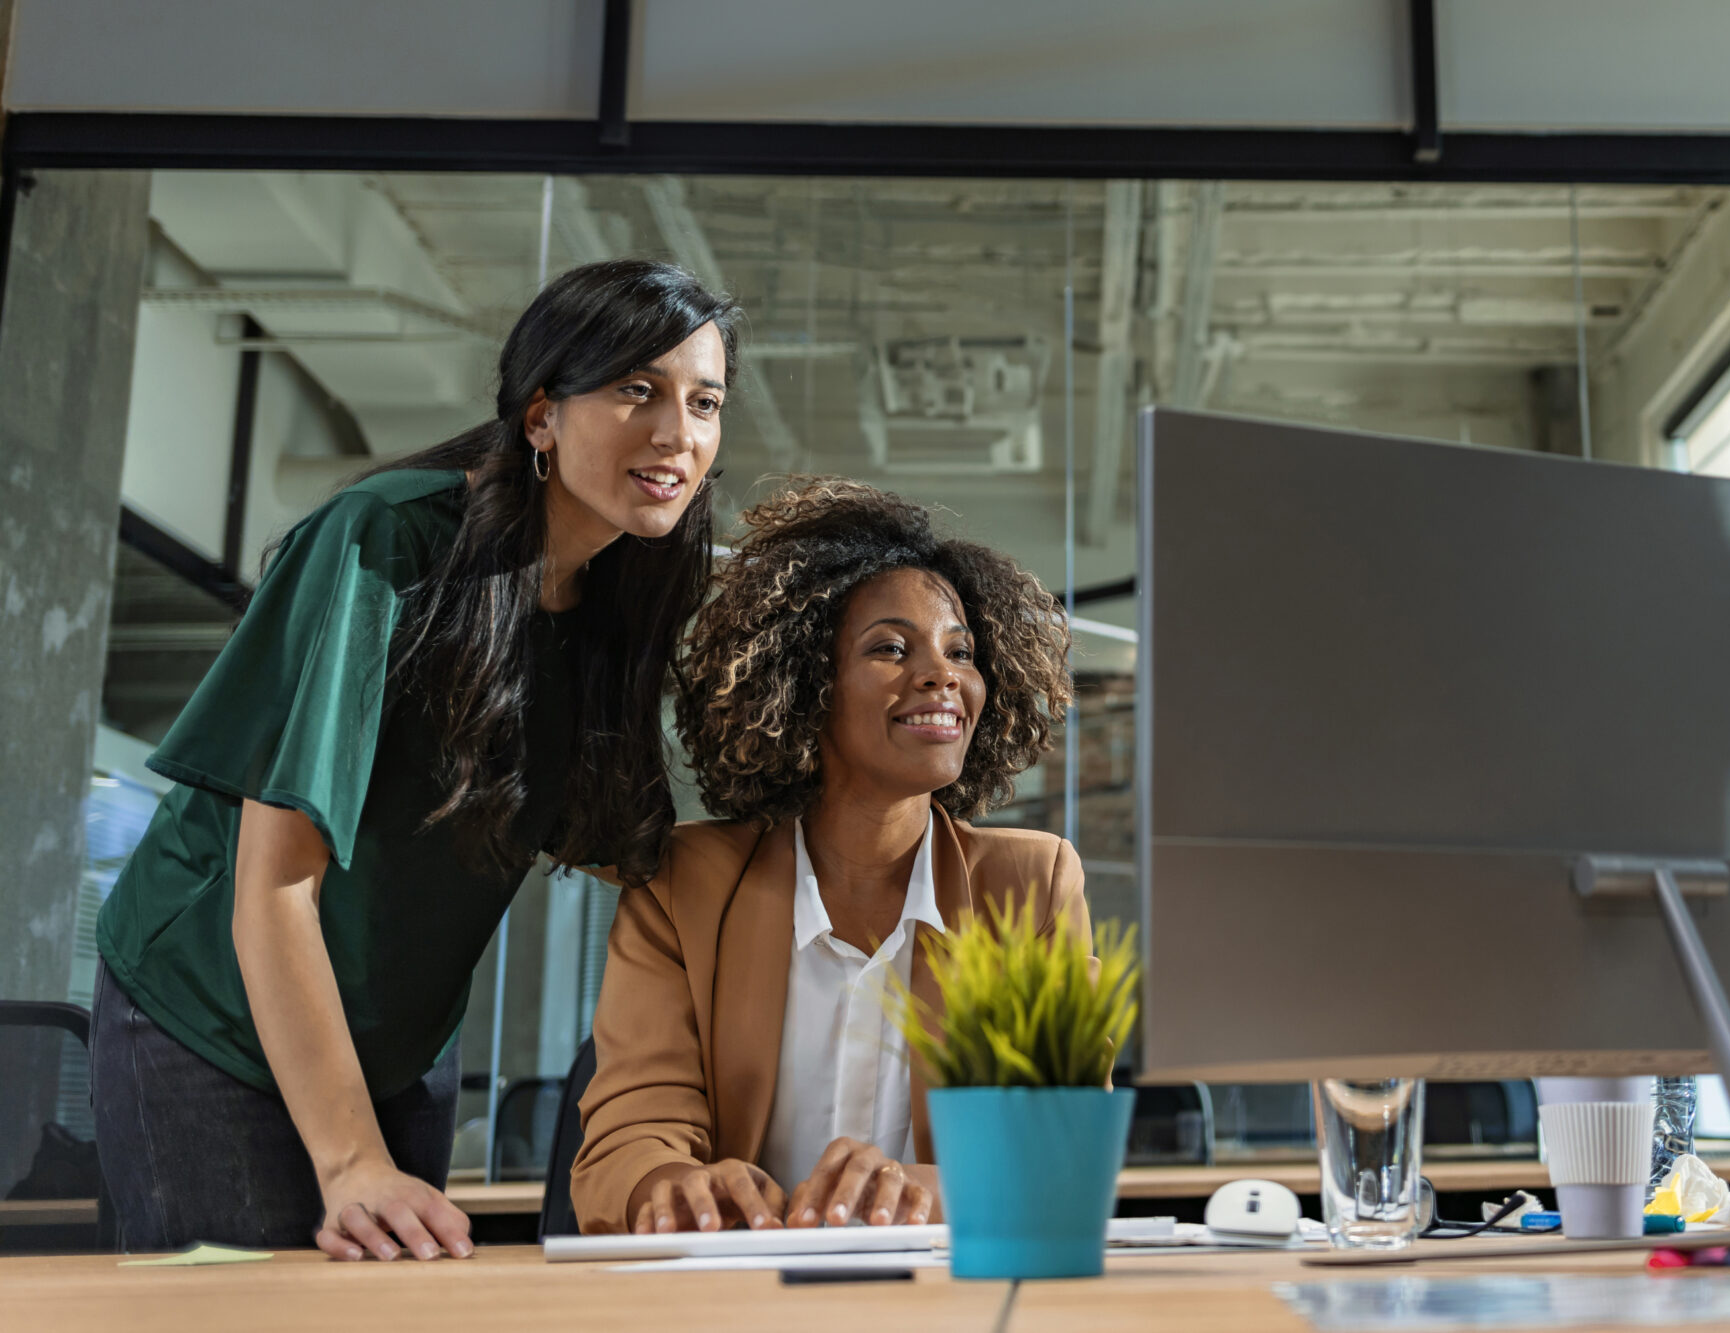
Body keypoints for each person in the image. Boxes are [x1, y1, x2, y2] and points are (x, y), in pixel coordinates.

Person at [91, 260, 737, 1260]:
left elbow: (621, 852)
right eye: (635, 389)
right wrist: (350, 1160)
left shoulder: (616, 596)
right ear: (540, 416)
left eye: (704, 402)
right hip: (212, 1018)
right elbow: (273, 886)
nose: (677, 433)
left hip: (395, 1041)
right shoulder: (388, 539)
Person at [571, 478, 1084, 1235]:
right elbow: (629, 1131)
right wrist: (675, 1184)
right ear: (808, 683)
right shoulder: (686, 889)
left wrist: (928, 1189)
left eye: (960, 651)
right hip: (735, 1299)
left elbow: (1058, 1150)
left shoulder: (1031, 886)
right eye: (889, 647)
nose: (942, 674)